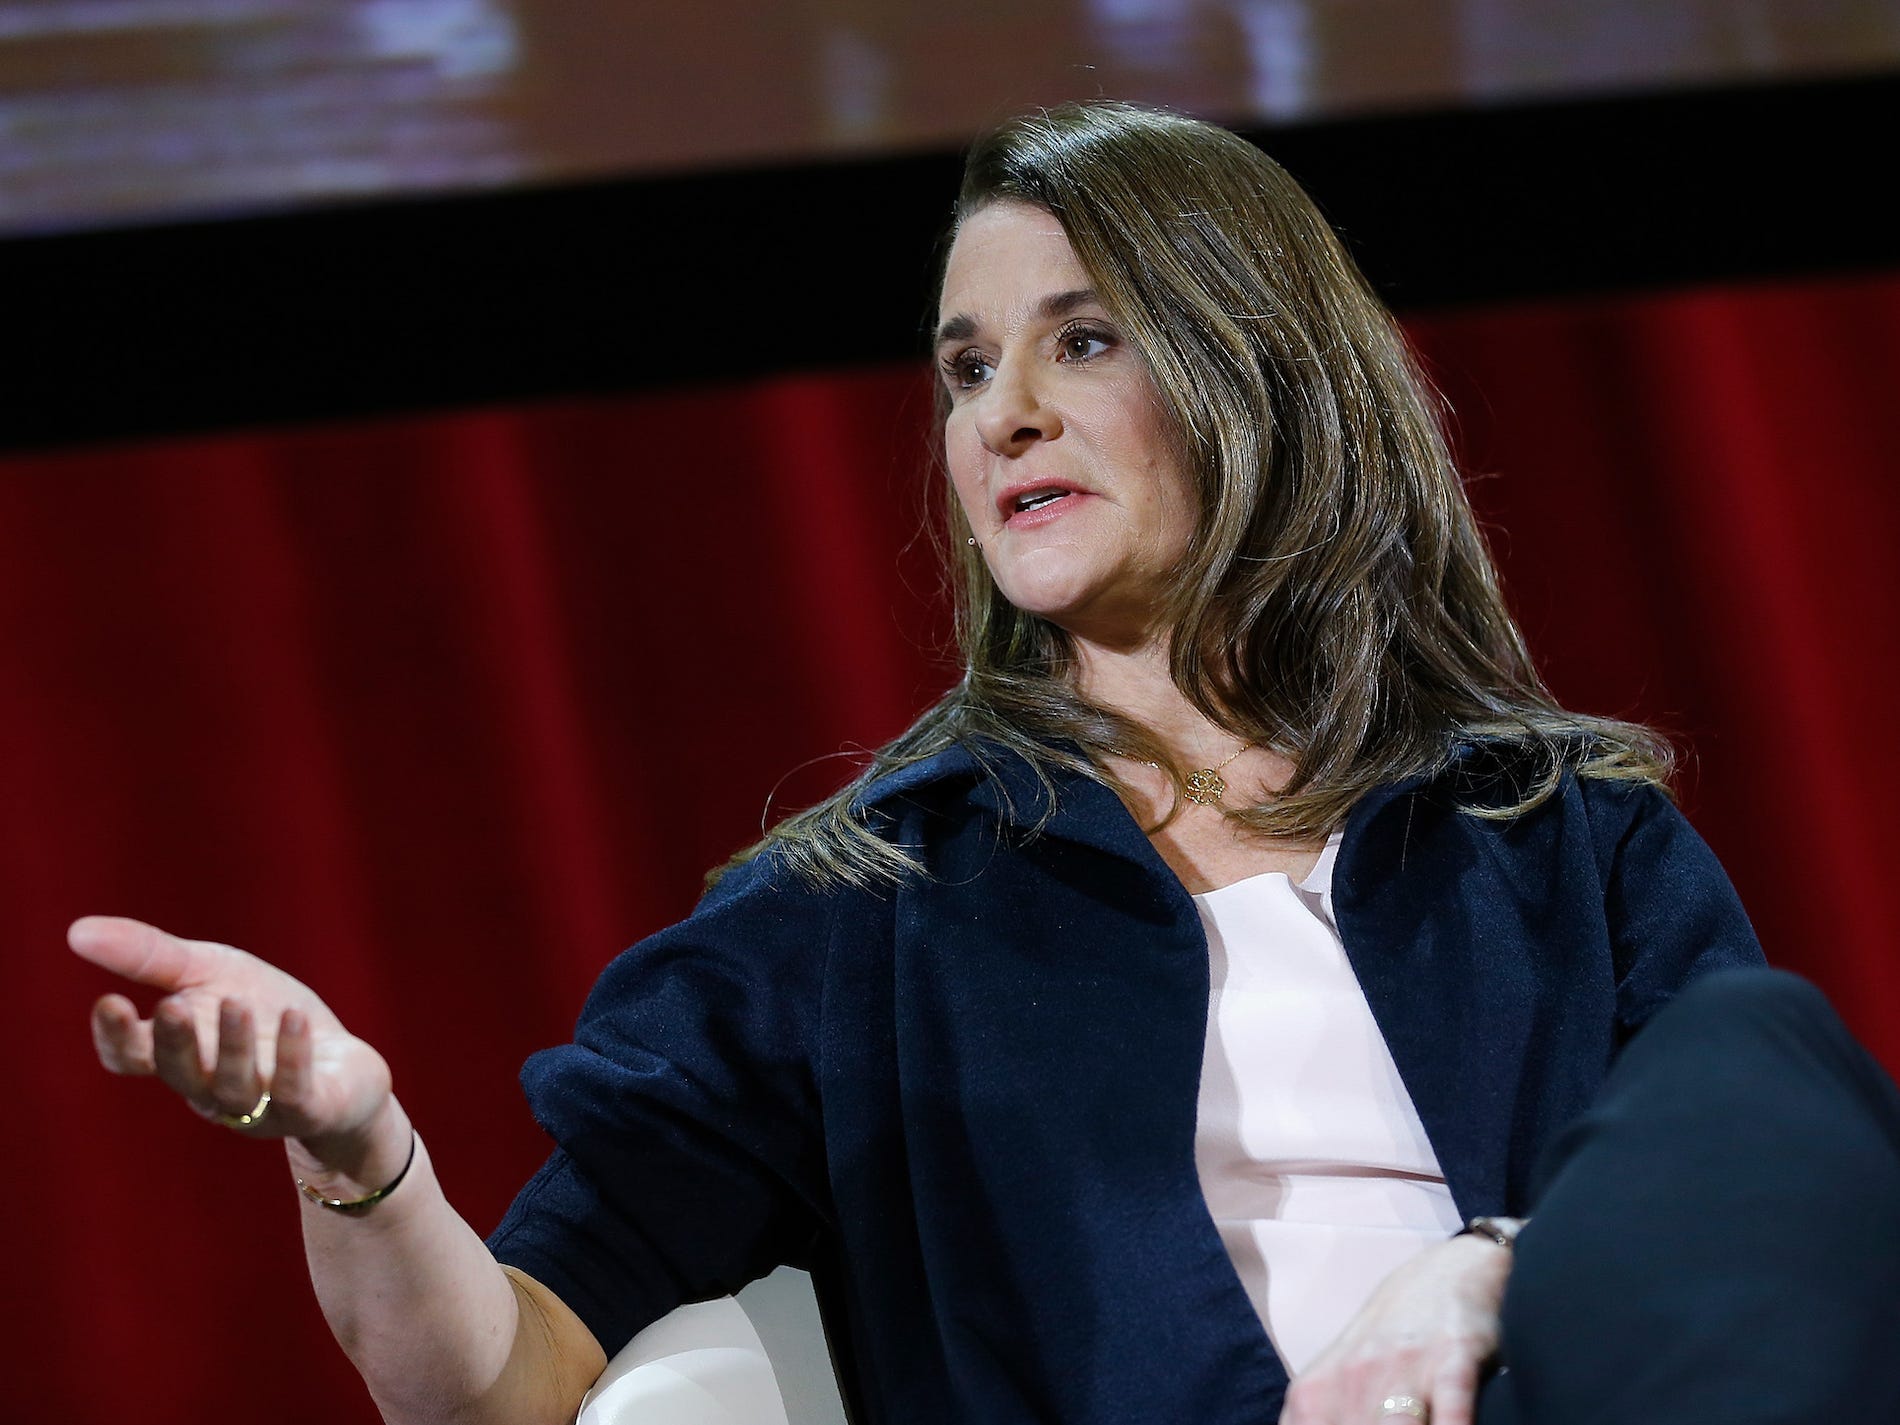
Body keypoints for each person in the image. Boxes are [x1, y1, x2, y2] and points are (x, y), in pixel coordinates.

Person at [72, 101, 1900, 1425]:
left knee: (1762, 1057)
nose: (999, 410)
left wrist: (1482, 1265)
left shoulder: (1555, 834)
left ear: (1260, 373)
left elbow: (1749, 1212)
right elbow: (515, 1376)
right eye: (963, 369)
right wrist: (358, 1148)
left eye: (1080, 340)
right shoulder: (858, 917)